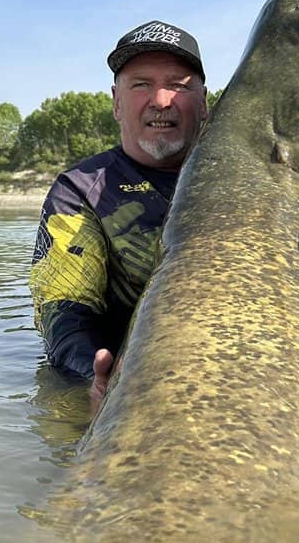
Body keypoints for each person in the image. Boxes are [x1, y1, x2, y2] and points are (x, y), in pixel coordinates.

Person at [29, 20, 208, 401]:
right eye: (141, 84)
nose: (161, 100)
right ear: (115, 101)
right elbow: (64, 309)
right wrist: (92, 374)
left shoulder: (255, 173)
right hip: (132, 379)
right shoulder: (79, 190)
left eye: (178, 84)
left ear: (205, 102)